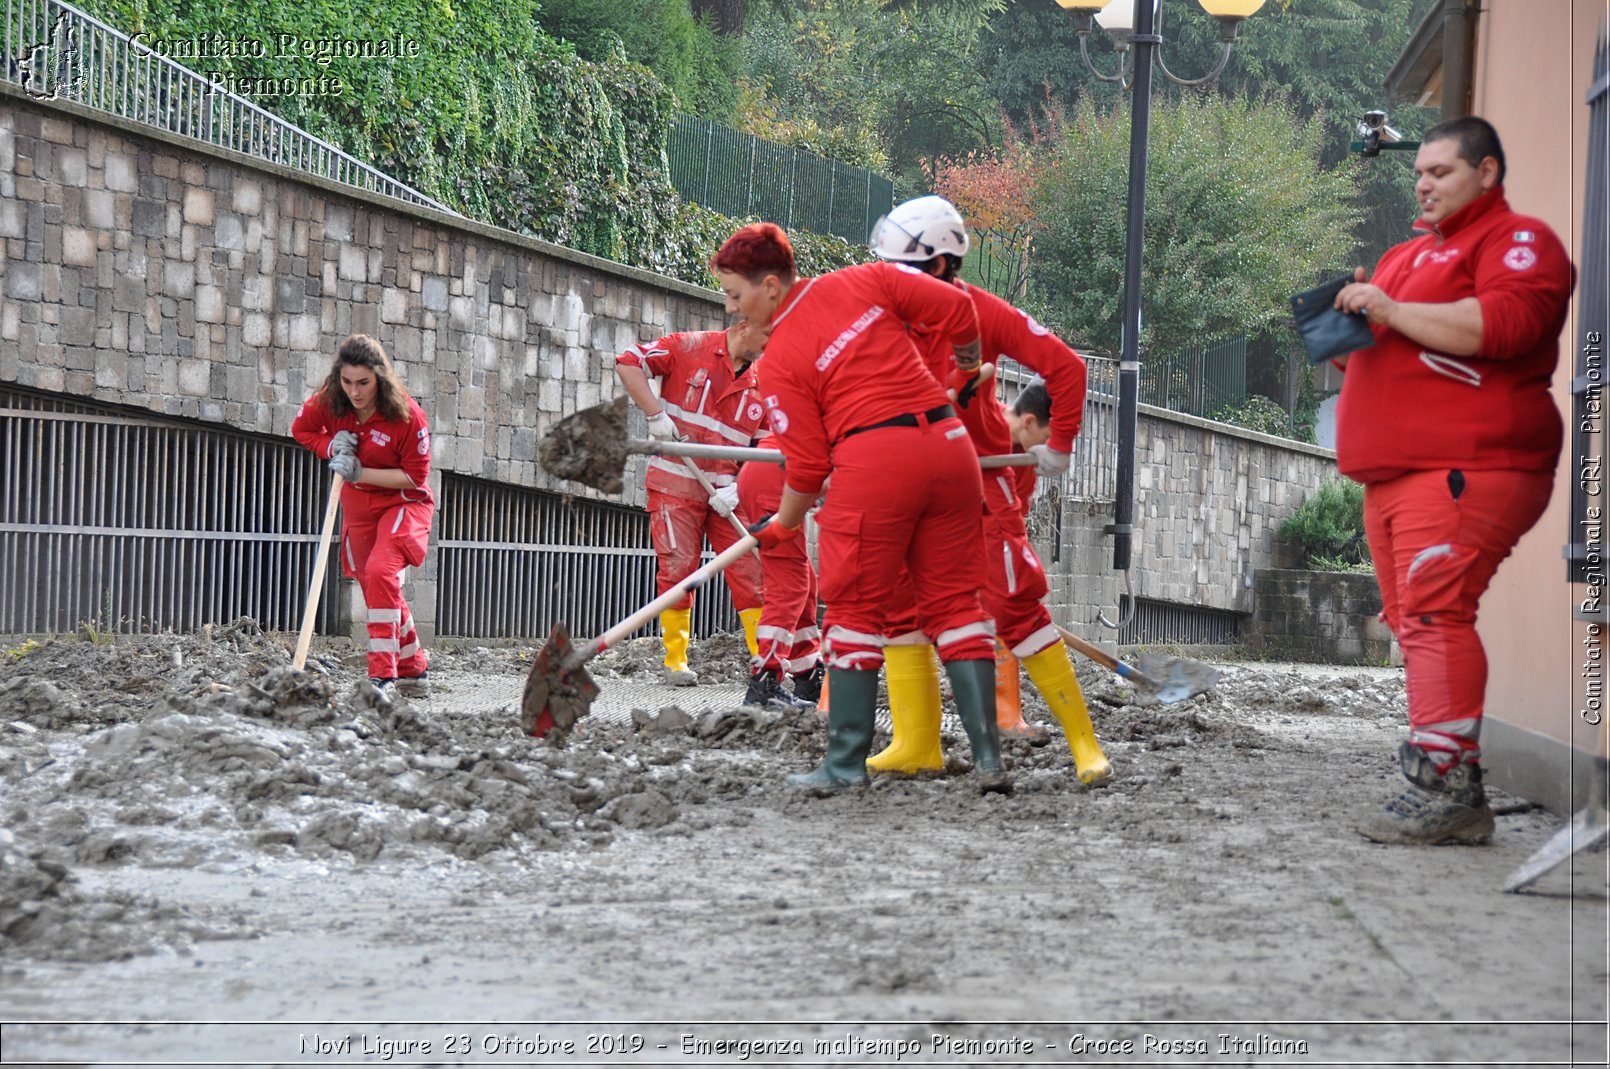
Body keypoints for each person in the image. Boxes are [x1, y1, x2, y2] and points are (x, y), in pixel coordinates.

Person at [1332, 116, 1575, 845]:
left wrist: (1390, 307)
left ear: (1488, 172)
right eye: (1419, 173)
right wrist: (1344, 321)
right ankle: (1446, 779)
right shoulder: (1405, 255)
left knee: (1437, 612)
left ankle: (1446, 781)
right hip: (1396, 475)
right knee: (1416, 622)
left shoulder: (1518, 241)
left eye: (1442, 171)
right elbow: (1379, 353)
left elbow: (1504, 327)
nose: (1424, 183)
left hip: (1472, 465)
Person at [712, 221, 1008, 794]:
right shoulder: (864, 279)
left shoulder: (776, 363)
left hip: (876, 463)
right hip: (951, 453)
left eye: (735, 295)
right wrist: (966, 370)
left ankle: (845, 761)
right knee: (956, 608)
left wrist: (785, 523)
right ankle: (990, 760)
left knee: (851, 612)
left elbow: (808, 466)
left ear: (770, 286)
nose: (732, 311)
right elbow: (961, 314)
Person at [864, 195, 1112, 786]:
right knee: (899, 610)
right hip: (901, 487)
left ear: (944, 266)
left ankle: (1085, 747)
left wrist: (1061, 444)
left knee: (1013, 608)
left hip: (976, 492)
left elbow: (1067, 369)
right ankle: (916, 744)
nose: (894, 281)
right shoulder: (875, 316)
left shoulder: (982, 313)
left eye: (907, 269)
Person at [614, 320, 768, 686]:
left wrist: (740, 485)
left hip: (727, 493)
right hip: (675, 483)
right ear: (745, 326)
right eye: (765, 338)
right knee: (678, 571)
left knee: (752, 572)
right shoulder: (688, 347)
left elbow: (765, 446)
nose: (767, 350)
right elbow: (628, 361)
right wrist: (655, 413)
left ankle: (767, 663)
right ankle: (675, 661)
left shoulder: (763, 381)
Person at [291, 334, 435, 692]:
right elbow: (302, 430)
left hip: (404, 503)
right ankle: (414, 668)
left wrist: (359, 472)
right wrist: (330, 446)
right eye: (347, 381)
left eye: (364, 383)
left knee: (379, 571)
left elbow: (415, 476)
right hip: (358, 507)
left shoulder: (407, 415)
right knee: (376, 585)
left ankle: (382, 676)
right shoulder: (331, 401)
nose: (355, 391)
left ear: (379, 378)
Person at [735, 428, 824, 711]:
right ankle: (766, 682)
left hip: (769, 472)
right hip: (777, 477)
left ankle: (807, 673)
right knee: (790, 584)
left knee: (803, 580)